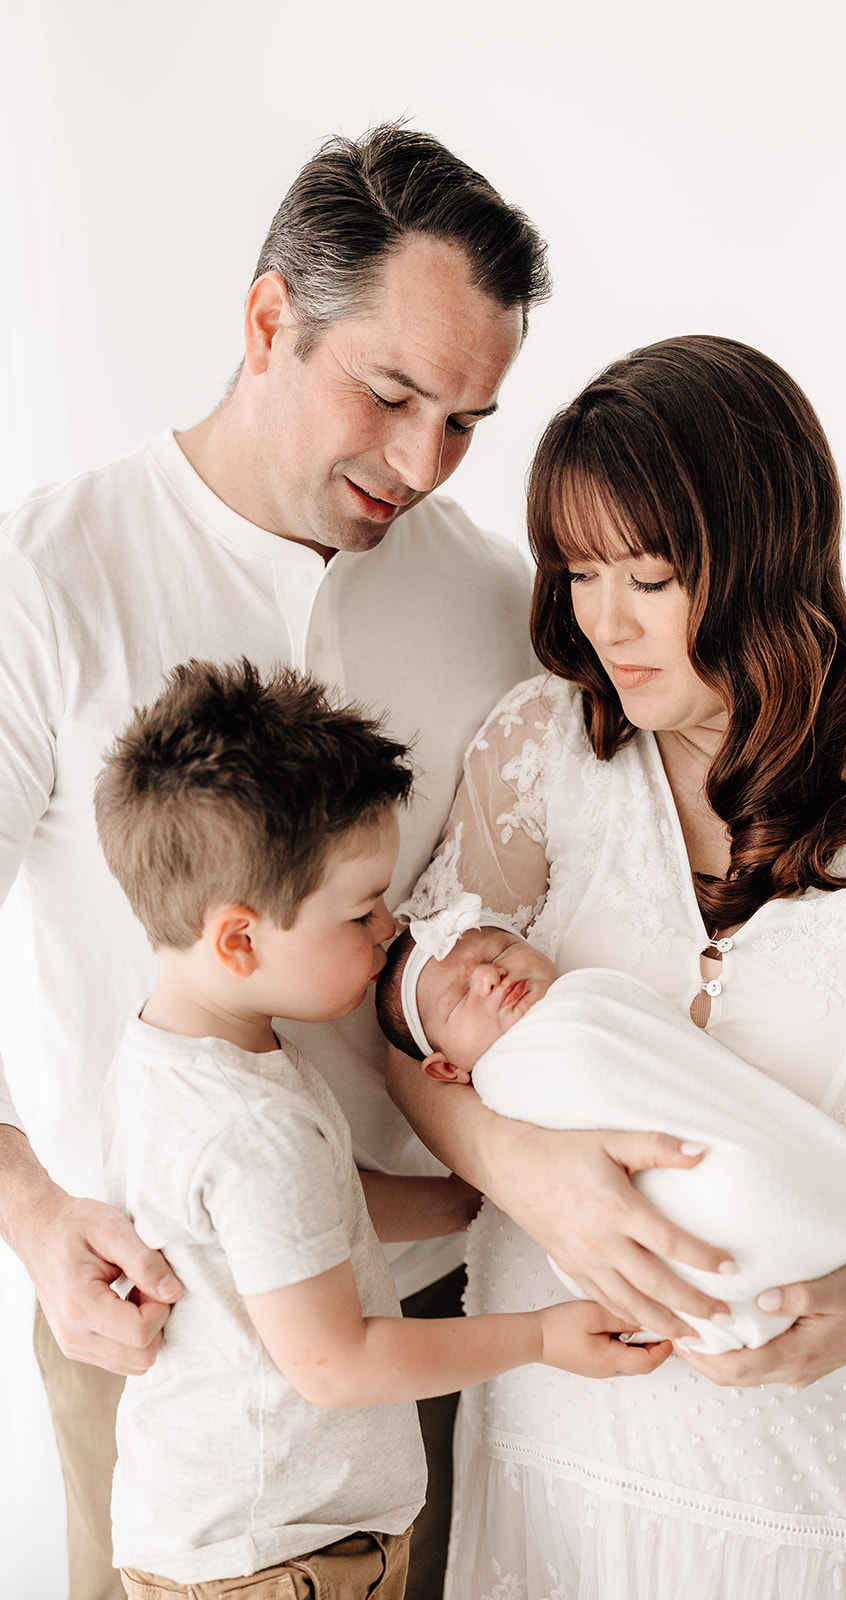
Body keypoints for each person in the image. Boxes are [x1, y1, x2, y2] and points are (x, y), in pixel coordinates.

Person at [0, 124, 551, 1600]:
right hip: (154, 1344)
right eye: (391, 393)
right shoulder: (42, 580)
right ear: (270, 320)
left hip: (429, 1319)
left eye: (465, 418)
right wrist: (31, 1213)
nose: (421, 460)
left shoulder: (484, 596)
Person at [388, 335, 846, 1597]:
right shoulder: (541, 751)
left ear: (766, 555)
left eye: (649, 576)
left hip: (836, 1491)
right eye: (575, 573)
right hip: (561, 1465)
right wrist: (518, 1167)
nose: (599, 622)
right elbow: (408, 1021)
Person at [94, 658, 668, 1598]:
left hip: (245, 1539)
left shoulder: (177, 1056)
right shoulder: (251, 1124)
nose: (390, 928)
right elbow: (335, 1359)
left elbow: (300, 1219)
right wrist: (543, 1337)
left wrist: (473, 1198)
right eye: (362, 911)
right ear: (239, 940)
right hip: (277, 1561)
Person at [376, 892, 846, 1355]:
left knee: (748, 1167)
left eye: (500, 951)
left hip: (731, 1143)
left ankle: (780, 1203)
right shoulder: (502, 1083)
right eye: (460, 997)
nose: (489, 976)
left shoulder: (589, 996)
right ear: (447, 1070)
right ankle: (748, 1240)